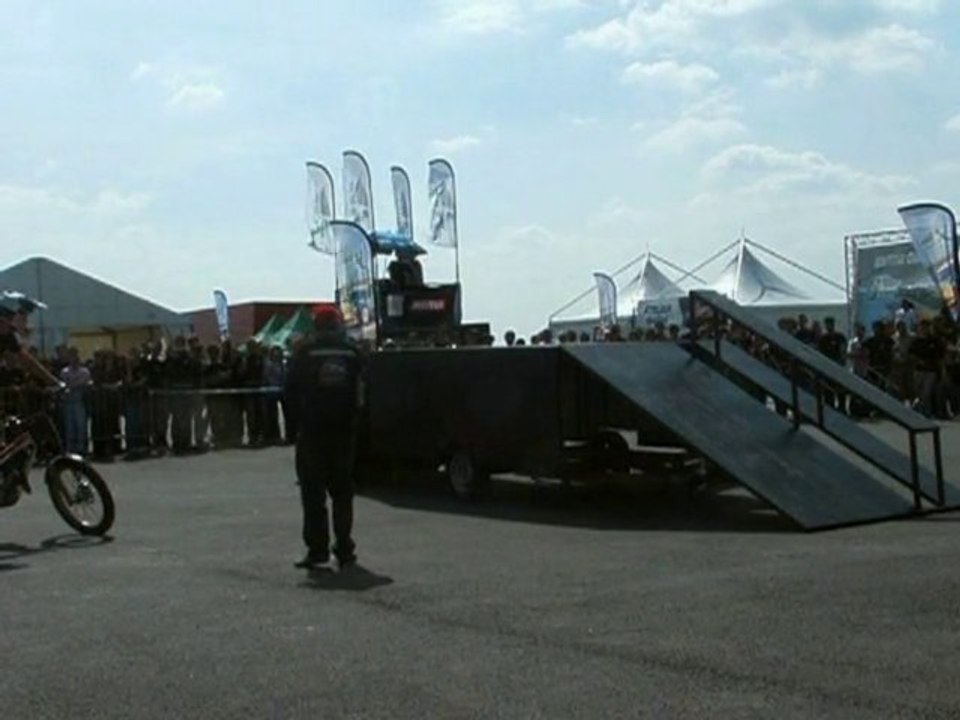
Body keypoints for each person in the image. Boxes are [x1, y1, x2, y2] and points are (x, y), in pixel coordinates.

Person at [284, 305, 365, 570]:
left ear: (316, 326)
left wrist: (293, 427)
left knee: (313, 493)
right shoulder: (353, 353)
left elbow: (290, 392)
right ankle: (344, 549)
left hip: (313, 431)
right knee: (343, 492)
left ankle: (317, 549)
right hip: (343, 431)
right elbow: (364, 391)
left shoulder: (304, 353)